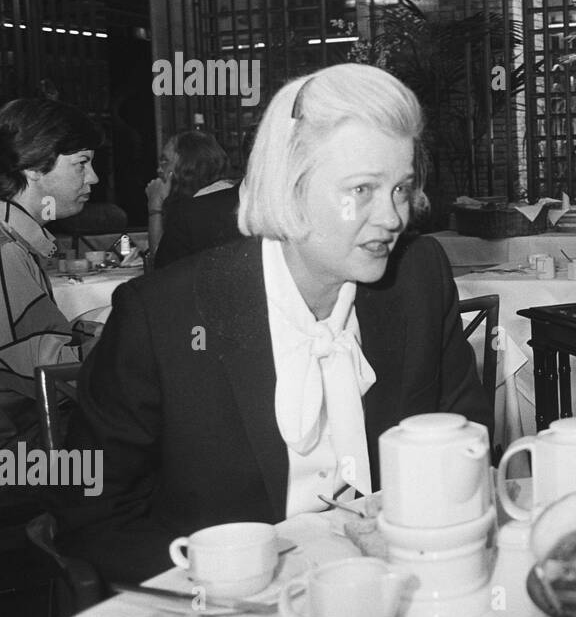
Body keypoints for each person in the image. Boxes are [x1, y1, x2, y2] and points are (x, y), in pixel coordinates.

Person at [56, 65, 492, 581]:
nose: (393, 216)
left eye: (400, 188)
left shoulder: (419, 277)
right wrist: (224, 583)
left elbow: (468, 445)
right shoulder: (162, 317)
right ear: (289, 186)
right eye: (362, 190)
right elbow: (93, 510)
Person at [0, 99, 103, 522]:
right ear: (35, 168)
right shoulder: (7, 252)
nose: (93, 178)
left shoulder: (15, 239)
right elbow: (51, 371)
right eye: (81, 163)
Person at [146, 130, 237, 266]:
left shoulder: (189, 212)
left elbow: (162, 270)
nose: (159, 170)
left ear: (187, 166)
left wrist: (154, 205)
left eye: (165, 162)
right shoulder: (232, 194)